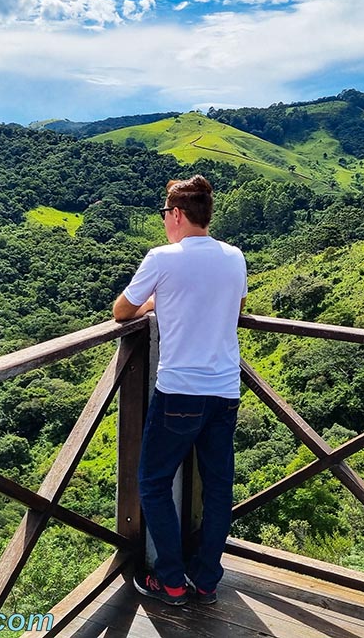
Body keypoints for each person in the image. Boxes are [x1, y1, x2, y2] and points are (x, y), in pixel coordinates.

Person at [113, 174, 247, 607]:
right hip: (225, 391)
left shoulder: (162, 258)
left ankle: (170, 581)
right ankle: (206, 581)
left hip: (180, 393)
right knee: (218, 488)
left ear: (176, 214)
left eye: (164, 214)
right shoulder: (235, 257)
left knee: (151, 482)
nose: (164, 222)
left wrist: (156, 302)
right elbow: (236, 306)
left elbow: (121, 311)